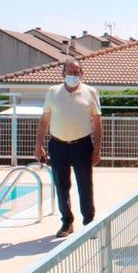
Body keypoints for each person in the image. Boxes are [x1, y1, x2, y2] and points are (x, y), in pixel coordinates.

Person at [34, 59, 102, 238]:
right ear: (63, 73)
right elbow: (44, 120)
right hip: (58, 145)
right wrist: (38, 145)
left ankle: (88, 222)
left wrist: (97, 148)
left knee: (85, 185)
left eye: (76, 71)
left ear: (82, 73)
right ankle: (67, 222)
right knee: (61, 185)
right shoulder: (52, 92)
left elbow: (97, 121)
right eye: (70, 72)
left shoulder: (91, 92)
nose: (73, 75)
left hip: (82, 145)